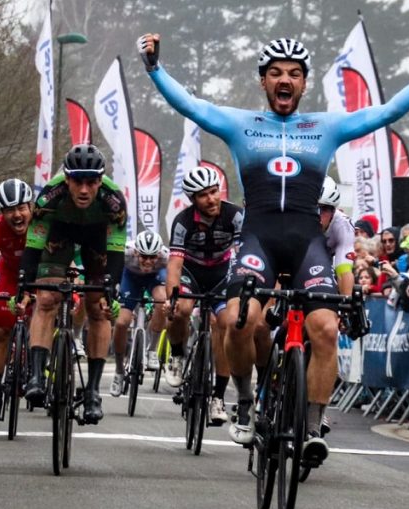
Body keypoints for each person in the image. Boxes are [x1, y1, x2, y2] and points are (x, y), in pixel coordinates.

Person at [139, 31, 409, 463]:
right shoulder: (239, 124)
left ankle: (310, 425)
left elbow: (386, 112)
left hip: (307, 243)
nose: (285, 80)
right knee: (239, 321)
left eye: (294, 74)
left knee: (324, 329)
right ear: (264, 82)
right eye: (275, 73)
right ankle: (246, 402)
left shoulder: (326, 127)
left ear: (304, 84)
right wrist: (154, 67)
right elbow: (190, 105)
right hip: (258, 239)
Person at [21, 145, 127, 425]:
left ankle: (92, 391)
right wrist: (27, 277)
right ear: (66, 179)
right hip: (59, 233)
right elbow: (34, 241)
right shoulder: (49, 196)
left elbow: (116, 251)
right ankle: (35, 374)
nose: (83, 189)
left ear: (100, 181)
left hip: (97, 238)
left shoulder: (114, 200)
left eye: (91, 182)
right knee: (46, 299)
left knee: (98, 307)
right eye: (77, 181)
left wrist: (110, 285)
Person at [161, 165, 243, 424]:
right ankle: (176, 354)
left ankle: (218, 397)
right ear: (193, 200)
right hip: (191, 273)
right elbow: (174, 263)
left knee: (224, 324)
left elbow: (243, 257)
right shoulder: (183, 221)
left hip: (222, 273)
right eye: (203, 195)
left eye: (214, 191)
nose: (211, 199)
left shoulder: (236, 215)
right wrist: (171, 298)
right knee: (181, 310)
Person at [0, 178, 35, 420]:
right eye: (10, 210)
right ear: (2, 213)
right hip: (10, 273)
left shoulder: (43, 225)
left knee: (42, 316)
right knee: (0, 328)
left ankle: (38, 372)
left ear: (31, 207)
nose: (17, 215)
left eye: (21, 208)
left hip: (39, 271)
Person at [112, 230, 170, 391]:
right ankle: (119, 370)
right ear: (136, 252)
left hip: (155, 278)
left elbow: (174, 277)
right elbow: (114, 271)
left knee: (162, 301)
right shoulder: (125, 253)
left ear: (159, 254)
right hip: (130, 278)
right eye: (144, 256)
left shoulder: (166, 257)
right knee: (122, 323)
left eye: (153, 257)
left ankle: (152, 349)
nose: (148, 261)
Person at [319, 177, 356, 297]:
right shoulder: (297, 220)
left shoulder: (343, 225)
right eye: (313, 208)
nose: (317, 215)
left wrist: (346, 306)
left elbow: (343, 270)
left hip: (327, 262)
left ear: (333, 211)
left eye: (323, 209)